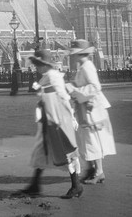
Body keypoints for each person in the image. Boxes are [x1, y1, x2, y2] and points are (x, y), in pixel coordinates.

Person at [15, 49, 83, 199]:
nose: (36, 67)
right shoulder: (47, 76)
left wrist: (71, 118)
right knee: (41, 152)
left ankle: (76, 185)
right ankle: (35, 185)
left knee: (65, 151)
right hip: (49, 119)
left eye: (38, 64)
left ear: (45, 64)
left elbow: (64, 97)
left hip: (58, 121)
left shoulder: (53, 76)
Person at [65, 39, 116, 185]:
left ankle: (99, 172)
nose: (73, 57)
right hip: (85, 108)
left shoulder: (87, 67)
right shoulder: (83, 66)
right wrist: (73, 86)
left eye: (75, 54)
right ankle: (93, 169)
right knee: (87, 140)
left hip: (92, 110)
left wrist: (74, 89)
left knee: (92, 140)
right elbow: (82, 85)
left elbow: (95, 87)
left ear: (81, 54)